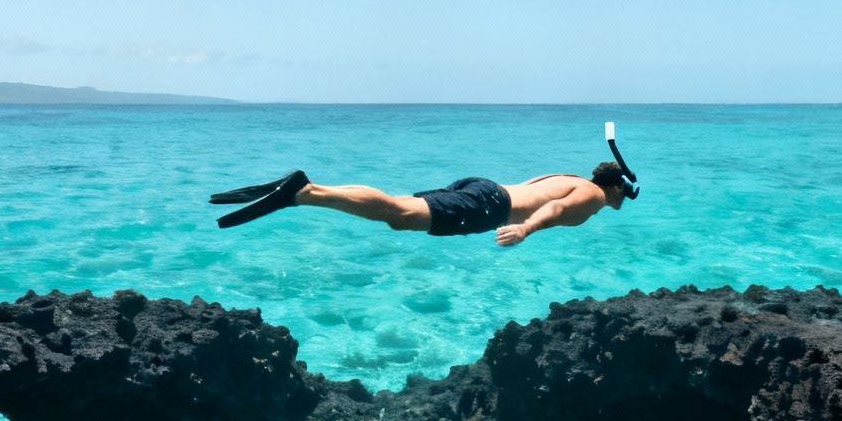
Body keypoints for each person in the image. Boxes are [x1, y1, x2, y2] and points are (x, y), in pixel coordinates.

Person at [211, 161, 635, 246]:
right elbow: (557, 211)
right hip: (491, 206)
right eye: (625, 195)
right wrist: (525, 229)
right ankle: (305, 192)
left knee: (397, 213)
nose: (622, 201)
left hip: (484, 188)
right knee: (397, 214)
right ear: (615, 187)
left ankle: (304, 190)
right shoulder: (594, 194)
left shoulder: (568, 175)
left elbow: (538, 192)